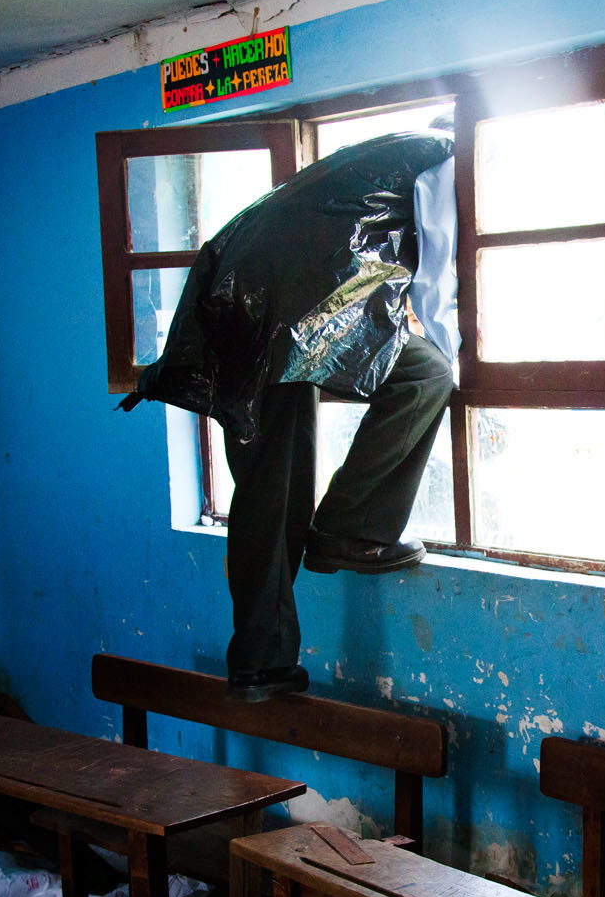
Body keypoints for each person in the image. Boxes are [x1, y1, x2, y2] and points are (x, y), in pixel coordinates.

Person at [125, 130, 456, 701]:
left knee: (267, 486)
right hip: (289, 300)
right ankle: (348, 528)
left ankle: (260, 664)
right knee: (429, 374)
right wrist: (452, 348)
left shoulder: (391, 151)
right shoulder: (444, 162)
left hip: (236, 293)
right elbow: (435, 283)